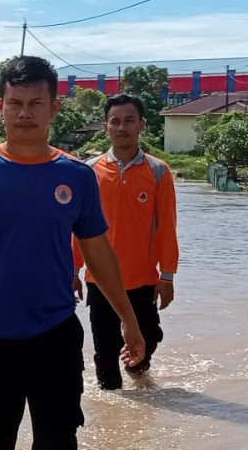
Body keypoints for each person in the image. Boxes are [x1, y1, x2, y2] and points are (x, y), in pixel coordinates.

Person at [0, 56, 146, 450]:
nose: (25, 113)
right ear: (0, 107)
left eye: (36, 103)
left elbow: (98, 254)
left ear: (54, 108)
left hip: (54, 338)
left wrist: (128, 319)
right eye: (15, 103)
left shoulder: (77, 176)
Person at [72, 93, 179, 391]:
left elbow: (167, 227)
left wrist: (167, 275)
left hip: (142, 279)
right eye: (115, 122)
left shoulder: (158, 172)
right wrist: (73, 270)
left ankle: (139, 377)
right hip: (100, 280)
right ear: (105, 127)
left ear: (142, 125)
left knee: (148, 341)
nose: (122, 128)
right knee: (105, 354)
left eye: (129, 121)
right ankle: (113, 419)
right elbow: (77, 228)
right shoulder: (89, 172)